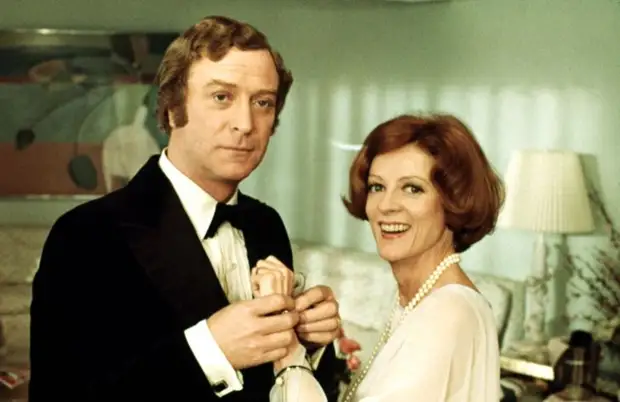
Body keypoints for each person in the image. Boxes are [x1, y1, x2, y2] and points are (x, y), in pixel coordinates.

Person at [29, 16, 342, 402]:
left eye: (263, 102)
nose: (245, 124)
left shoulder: (266, 224)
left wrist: (308, 343)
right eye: (222, 97)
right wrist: (210, 352)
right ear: (173, 109)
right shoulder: (84, 235)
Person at [251, 114, 505, 401]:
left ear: (454, 201)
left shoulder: (448, 312)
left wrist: (286, 348)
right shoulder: (415, 302)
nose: (386, 205)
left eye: (412, 188)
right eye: (377, 187)